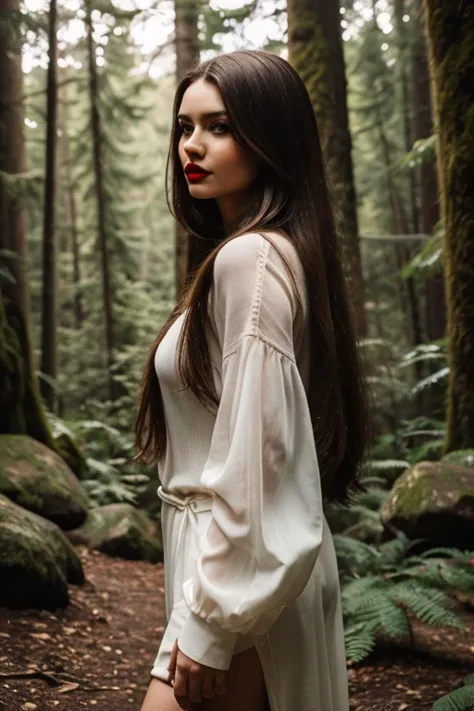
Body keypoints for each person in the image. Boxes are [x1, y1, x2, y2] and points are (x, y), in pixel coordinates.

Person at [136, 49, 368, 711]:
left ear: (272, 137)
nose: (193, 145)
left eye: (220, 126)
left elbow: (260, 452)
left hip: (240, 576)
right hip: (238, 571)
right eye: (184, 126)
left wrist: (211, 624)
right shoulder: (266, 252)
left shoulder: (252, 258)